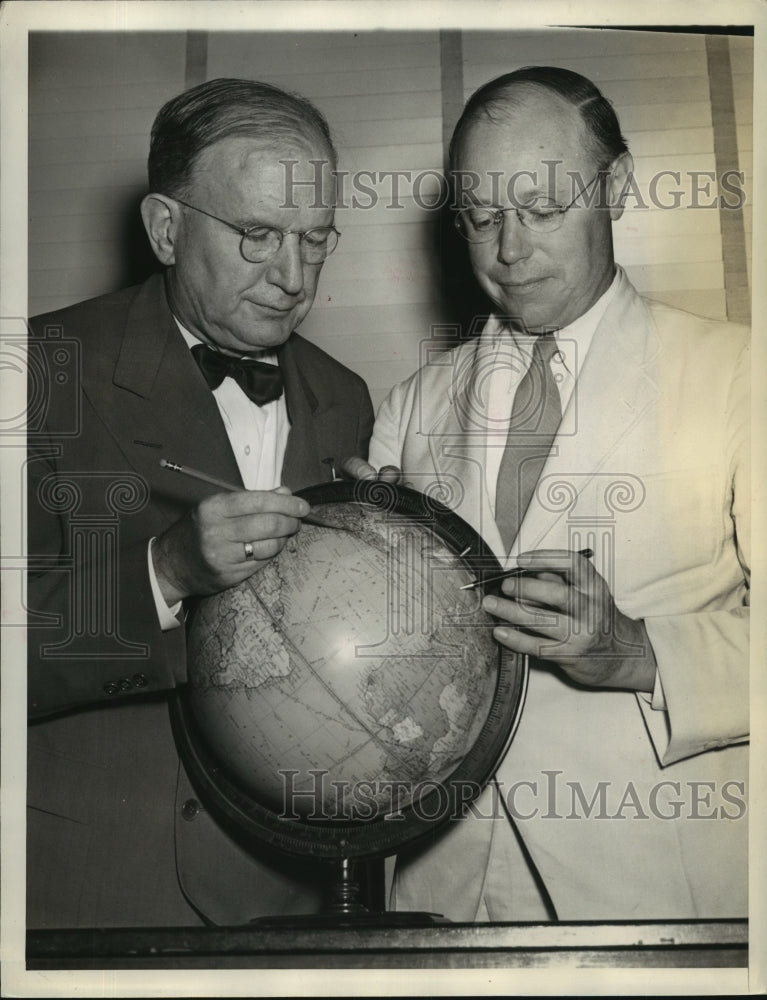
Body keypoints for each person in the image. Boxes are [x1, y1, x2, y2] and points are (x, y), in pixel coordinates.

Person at [354, 66, 749, 921]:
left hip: (657, 891)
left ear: (615, 185)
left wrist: (639, 653)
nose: (508, 250)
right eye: (481, 218)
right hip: (441, 891)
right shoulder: (411, 405)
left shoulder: (737, 375)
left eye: (541, 209)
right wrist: (349, 563)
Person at [26, 78, 374, 928]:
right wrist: (166, 571)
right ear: (165, 229)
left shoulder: (347, 397)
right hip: (88, 887)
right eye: (258, 235)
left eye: (315, 239)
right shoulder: (36, 371)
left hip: (293, 898)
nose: (294, 278)